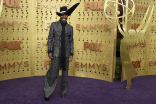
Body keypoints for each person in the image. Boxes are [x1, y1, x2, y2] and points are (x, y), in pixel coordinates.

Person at [43, 3, 80, 101]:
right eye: (62, 15)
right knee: (53, 73)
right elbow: (50, 39)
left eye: (65, 15)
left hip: (66, 54)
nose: (64, 16)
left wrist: (71, 53)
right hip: (55, 53)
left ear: (67, 16)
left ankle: (63, 93)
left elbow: (71, 41)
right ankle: (47, 92)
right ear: (60, 16)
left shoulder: (70, 28)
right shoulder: (54, 25)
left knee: (65, 74)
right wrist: (49, 51)